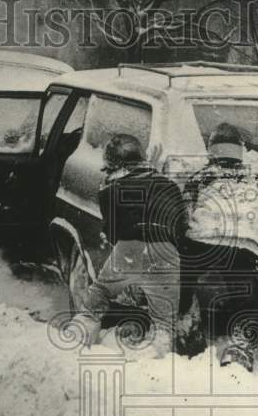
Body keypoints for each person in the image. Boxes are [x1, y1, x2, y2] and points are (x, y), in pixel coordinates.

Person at [75, 134, 187, 354]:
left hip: (129, 247)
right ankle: (158, 367)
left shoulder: (109, 191)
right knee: (164, 324)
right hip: (166, 251)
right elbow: (180, 227)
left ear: (113, 164)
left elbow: (111, 232)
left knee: (100, 293)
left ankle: (79, 337)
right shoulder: (170, 186)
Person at [182, 123, 258, 370]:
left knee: (186, 280)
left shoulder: (198, 178)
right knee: (251, 299)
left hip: (203, 242)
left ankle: (189, 324)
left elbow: (184, 216)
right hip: (249, 246)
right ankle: (241, 345)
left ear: (211, 151)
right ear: (240, 150)